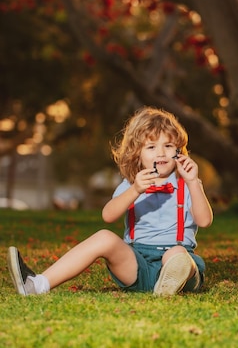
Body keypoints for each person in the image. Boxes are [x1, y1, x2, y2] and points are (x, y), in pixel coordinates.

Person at [7, 106, 214, 296]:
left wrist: (193, 182)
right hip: (138, 264)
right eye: (151, 147)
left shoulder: (187, 184)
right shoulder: (131, 184)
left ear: (178, 152)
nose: (160, 152)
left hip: (179, 263)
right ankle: (38, 284)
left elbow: (204, 221)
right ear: (137, 154)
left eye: (168, 145)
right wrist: (135, 190)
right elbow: (108, 216)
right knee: (104, 237)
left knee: (176, 255)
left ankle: (168, 284)